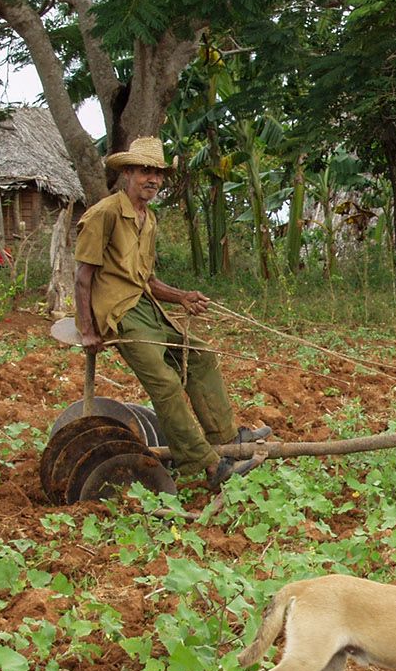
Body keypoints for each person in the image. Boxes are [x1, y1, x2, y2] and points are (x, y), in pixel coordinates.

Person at [73, 136, 270, 489]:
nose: (152, 179)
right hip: (119, 313)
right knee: (164, 383)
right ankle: (209, 466)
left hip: (145, 307)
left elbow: (146, 279)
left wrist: (181, 297)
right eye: (145, 171)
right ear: (129, 173)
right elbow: (82, 276)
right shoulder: (104, 214)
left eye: (158, 173)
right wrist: (88, 331)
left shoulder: (148, 220)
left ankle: (226, 439)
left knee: (200, 356)